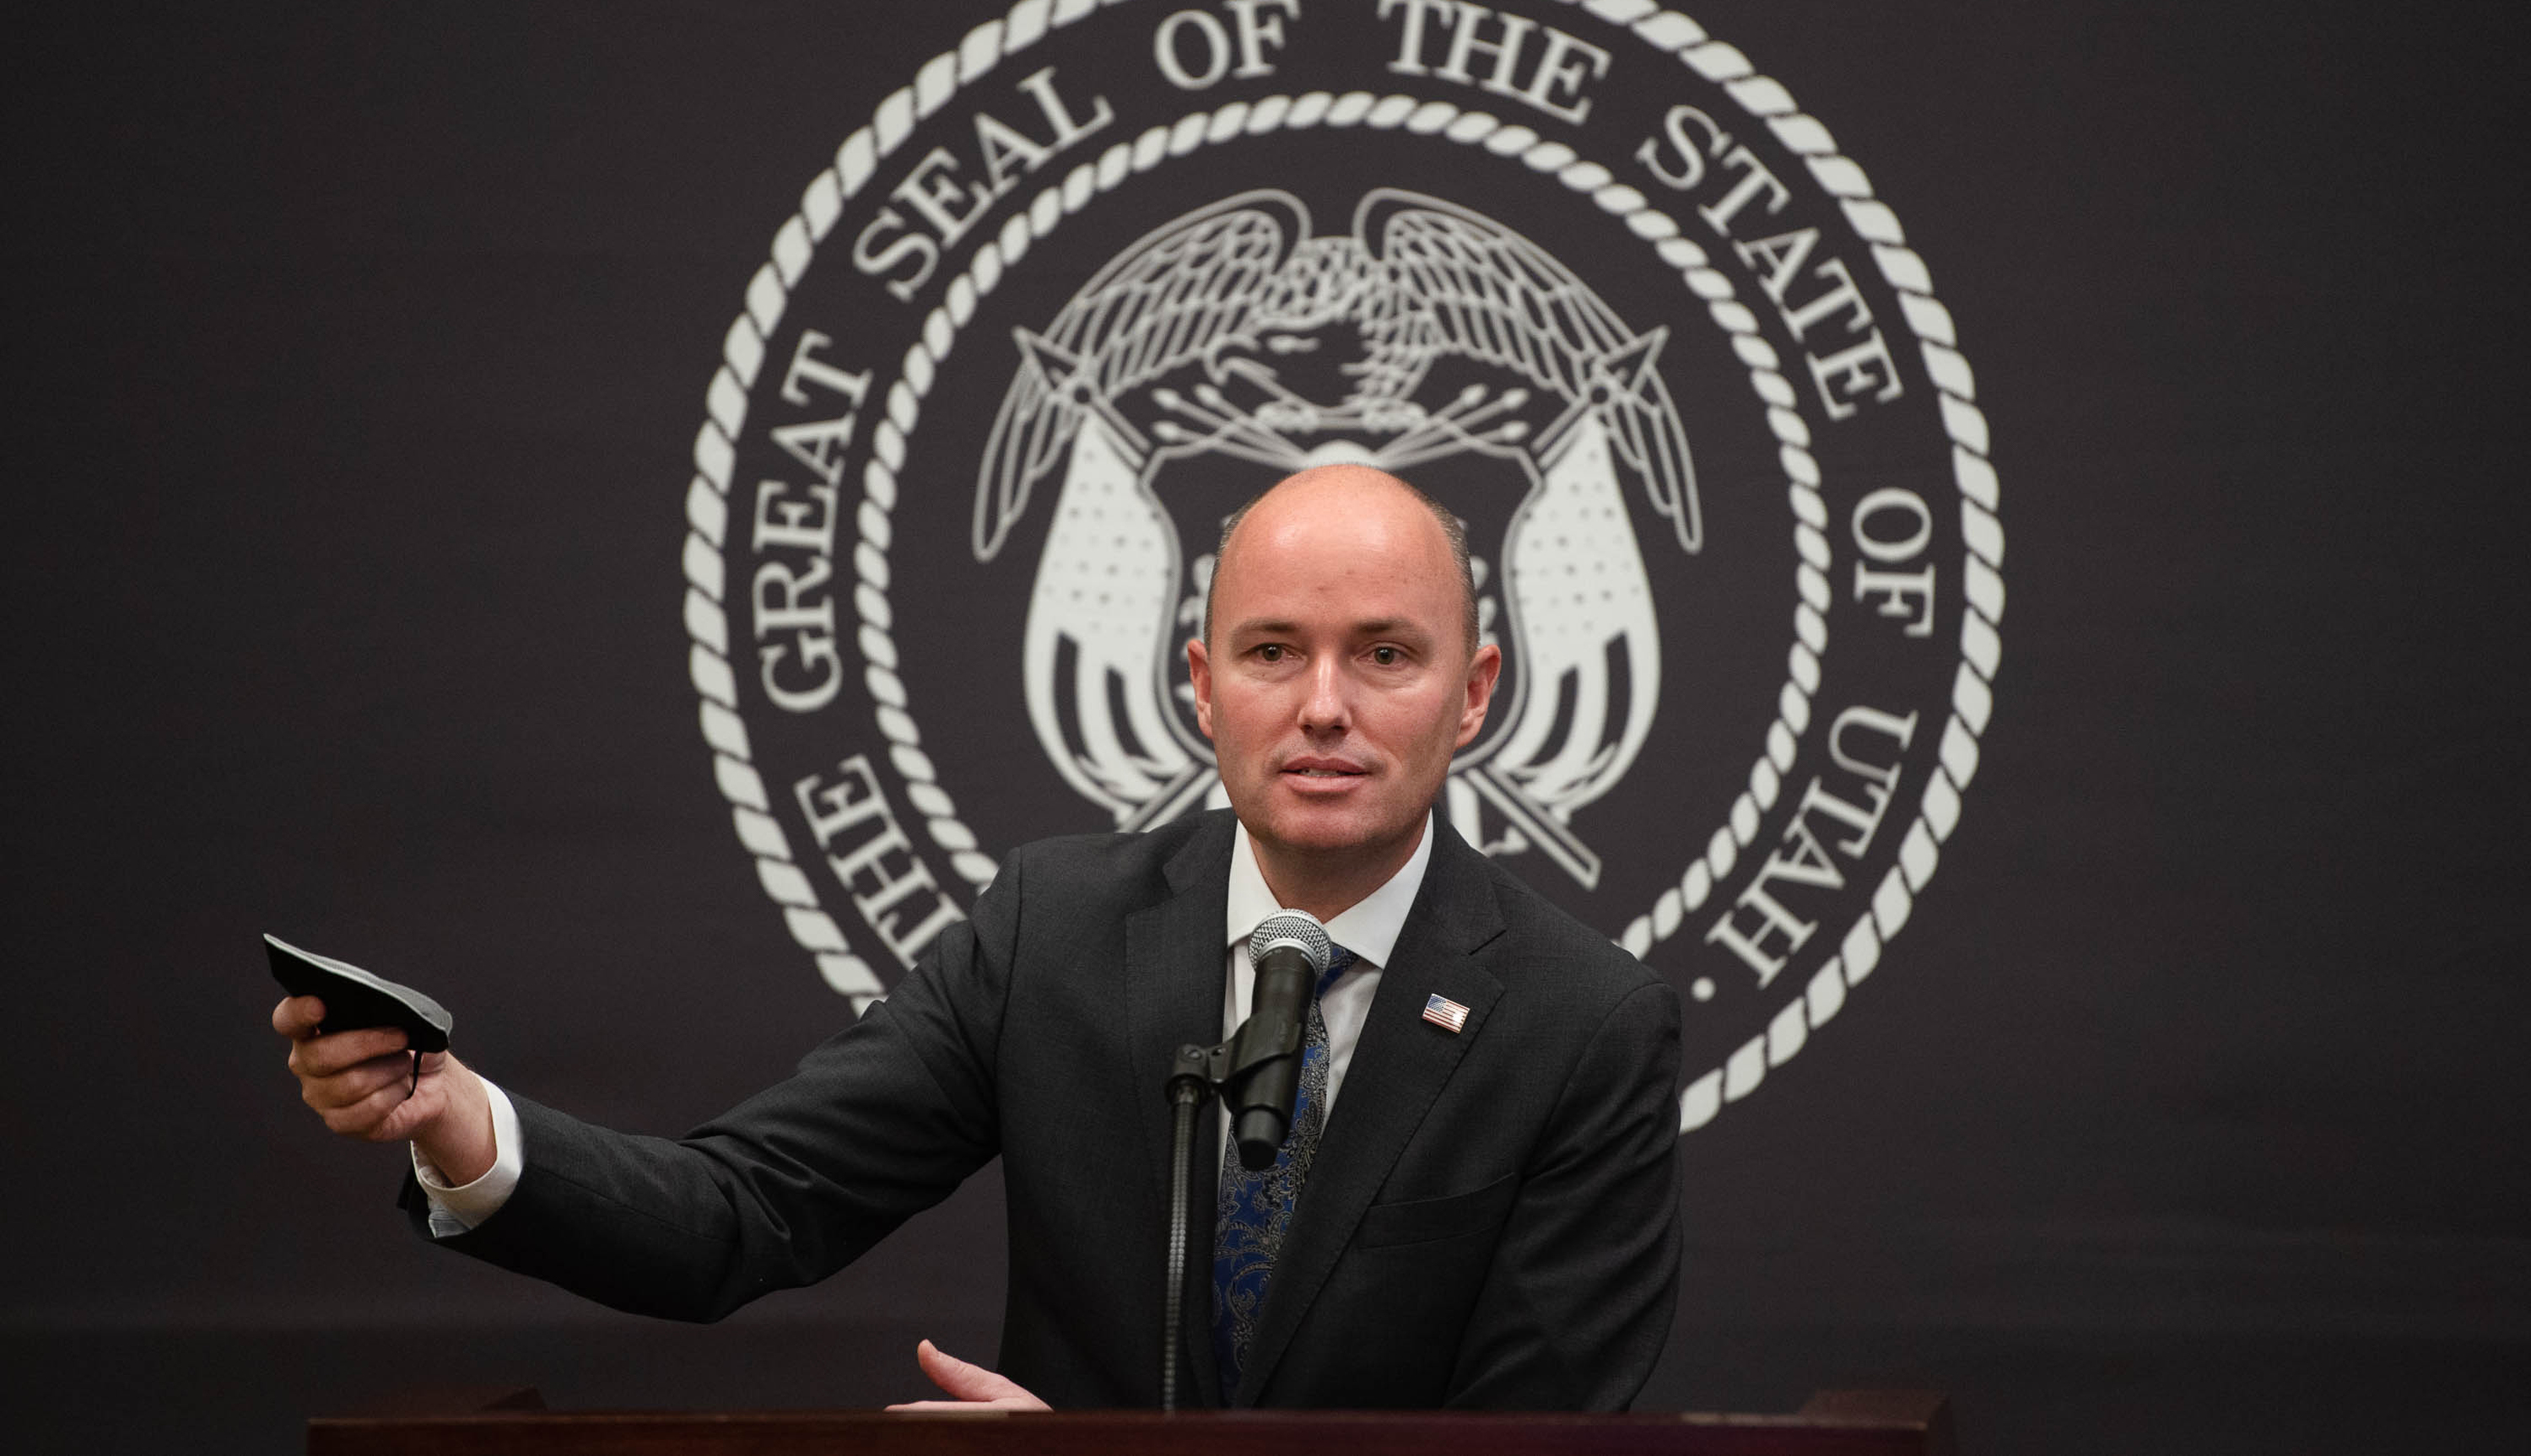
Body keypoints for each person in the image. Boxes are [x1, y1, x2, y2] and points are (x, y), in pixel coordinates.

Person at [277, 465, 1683, 1409]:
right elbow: (746, 1211)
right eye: (1271, 651)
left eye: (1385, 652)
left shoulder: (1581, 1020)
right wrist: (461, 1121)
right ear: (1200, 684)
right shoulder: (1054, 932)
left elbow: (1540, 1454)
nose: (1323, 704)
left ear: (1476, 689)